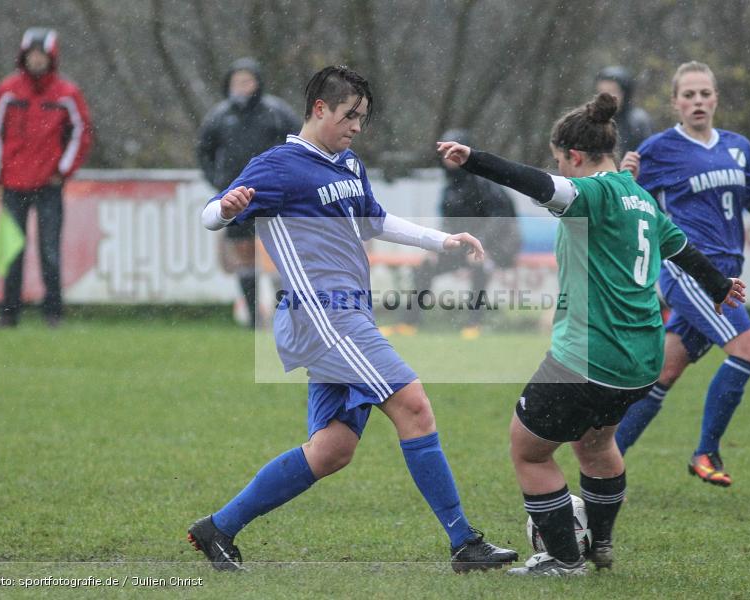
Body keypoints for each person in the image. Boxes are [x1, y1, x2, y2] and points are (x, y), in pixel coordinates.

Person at [188, 66, 517, 572]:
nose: (357, 126)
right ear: (320, 109)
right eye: (350, 115)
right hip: (322, 314)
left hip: (347, 314)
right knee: (414, 405)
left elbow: (376, 220)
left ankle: (219, 528)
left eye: (363, 117)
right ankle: (464, 543)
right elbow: (211, 213)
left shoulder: (347, 163)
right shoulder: (278, 166)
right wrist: (228, 208)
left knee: (332, 450)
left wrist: (442, 240)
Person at [437, 92, 745, 576]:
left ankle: (563, 559)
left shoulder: (594, 194)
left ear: (574, 157)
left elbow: (535, 183)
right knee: (597, 446)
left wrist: (475, 160)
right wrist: (720, 286)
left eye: (561, 161)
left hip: (588, 356)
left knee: (529, 450)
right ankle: (599, 545)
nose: (559, 170)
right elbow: (682, 249)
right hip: (642, 356)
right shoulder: (639, 198)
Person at [614, 61, 750, 487]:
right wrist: (625, 177)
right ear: (675, 103)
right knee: (746, 350)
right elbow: (626, 200)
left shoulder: (737, 146)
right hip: (689, 270)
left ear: (715, 99)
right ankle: (706, 452)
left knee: (664, 373)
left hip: (728, 273)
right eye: (688, 95)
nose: (697, 102)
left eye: (704, 94)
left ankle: (606, 459)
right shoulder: (659, 148)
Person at [0, 27, 92, 327]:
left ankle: (53, 313)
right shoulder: (8, 90)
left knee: (50, 249)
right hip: (14, 183)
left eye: (42, 55)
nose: (37, 61)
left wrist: (62, 170)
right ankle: (8, 313)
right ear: (23, 57)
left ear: (51, 58)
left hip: (48, 184)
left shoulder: (67, 93)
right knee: (12, 249)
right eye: (32, 55)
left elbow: (82, 134)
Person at [197, 57, 302, 328]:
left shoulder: (276, 112)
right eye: (236, 82)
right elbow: (203, 152)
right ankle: (254, 319)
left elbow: (299, 145)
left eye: (247, 81)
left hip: (273, 199)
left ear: (258, 83)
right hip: (236, 201)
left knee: (279, 255)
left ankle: (288, 315)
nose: (241, 87)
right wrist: (219, 183)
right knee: (244, 256)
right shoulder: (220, 117)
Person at [389, 128, 519, 340]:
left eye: (454, 150)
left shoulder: (484, 181)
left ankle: (474, 323)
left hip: (499, 245)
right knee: (426, 266)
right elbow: (448, 224)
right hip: (464, 246)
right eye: (445, 152)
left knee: (480, 265)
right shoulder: (449, 187)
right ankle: (409, 322)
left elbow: (501, 220)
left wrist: (481, 245)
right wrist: (437, 246)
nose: (448, 157)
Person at [595, 66, 653, 155]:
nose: (606, 97)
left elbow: (648, 156)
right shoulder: (591, 121)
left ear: (625, 94)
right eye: (601, 92)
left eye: (612, 91)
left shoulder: (638, 122)